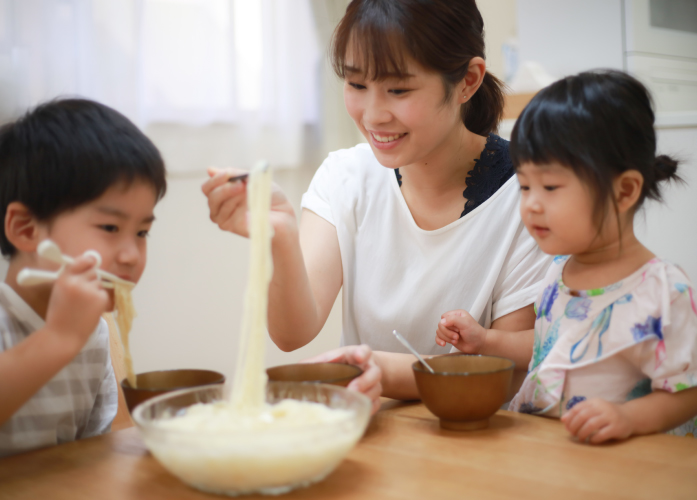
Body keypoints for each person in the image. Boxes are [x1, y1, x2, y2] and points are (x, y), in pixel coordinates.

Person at [203, 0, 550, 412]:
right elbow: (292, 333)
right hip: (370, 436)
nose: (372, 114)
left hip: (478, 438)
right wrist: (281, 235)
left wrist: (375, 369)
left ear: (467, 81)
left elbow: (503, 372)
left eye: (398, 90)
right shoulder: (345, 176)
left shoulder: (530, 195)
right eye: (356, 85)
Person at [437, 70, 697, 443]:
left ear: (624, 192)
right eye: (525, 186)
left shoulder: (662, 290)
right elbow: (550, 343)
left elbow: (689, 392)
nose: (531, 204)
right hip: (548, 449)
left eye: (550, 187)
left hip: (616, 464)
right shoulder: (559, 271)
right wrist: (485, 342)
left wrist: (628, 418)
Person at [0, 99, 167, 456]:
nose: (131, 255)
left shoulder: (92, 333)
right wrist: (59, 339)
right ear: (26, 229)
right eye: (110, 227)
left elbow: (93, 453)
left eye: (141, 232)